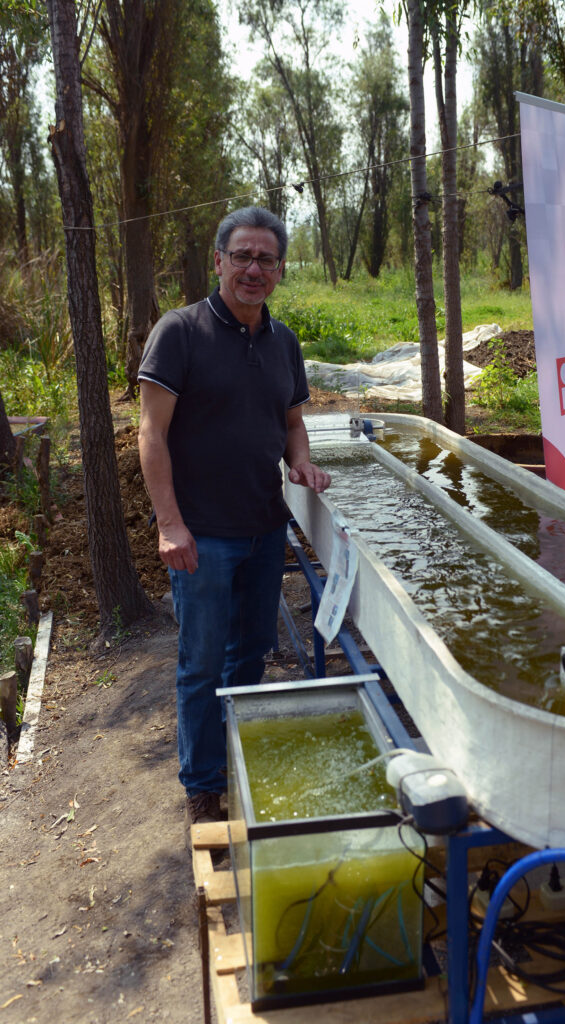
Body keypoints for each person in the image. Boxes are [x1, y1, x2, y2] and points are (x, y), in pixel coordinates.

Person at [137, 205, 330, 835]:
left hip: (263, 528)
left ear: (278, 271)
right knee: (199, 662)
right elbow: (151, 433)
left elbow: (292, 421)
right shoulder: (181, 332)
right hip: (203, 537)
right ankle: (202, 786)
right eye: (241, 255)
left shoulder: (284, 342)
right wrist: (169, 524)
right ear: (218, 260)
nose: (253, 268)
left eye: (265, 259)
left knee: (250, 654)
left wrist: (300, 464)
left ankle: (236, 760)